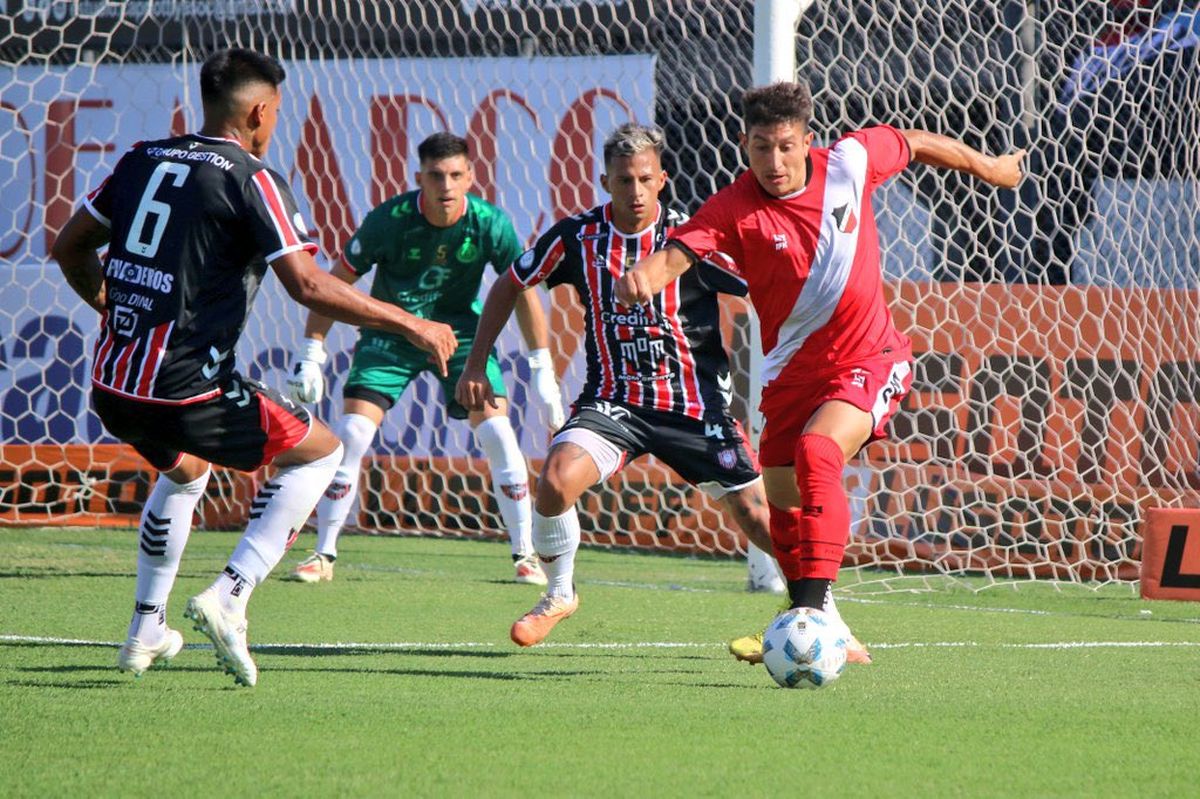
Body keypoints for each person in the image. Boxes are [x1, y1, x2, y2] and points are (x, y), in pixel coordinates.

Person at [50, 48, 457, 687]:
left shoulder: (141, 159)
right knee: (321, 454)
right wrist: (414, 322)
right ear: (260, 111)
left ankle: (146, 628)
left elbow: (69, 246)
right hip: (187, 390)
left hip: (113, 386)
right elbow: (309, 286)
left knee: (185, 474)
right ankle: (231, 595)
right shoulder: (250, 177)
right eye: (277, 114)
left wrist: (109, 304)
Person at [616, 82, 1025, 662]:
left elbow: (915, 142)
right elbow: (675, 256)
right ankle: (827, 621)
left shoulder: (851, 163)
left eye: (785, 146)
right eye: (761, 147)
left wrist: (990, 169)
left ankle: (803, 615)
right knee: (782, 504)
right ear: (744, 144)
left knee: (818, 454)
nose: (774, 162)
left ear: (808, 140)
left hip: (869, 358)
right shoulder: (732, 207)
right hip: (788, 375)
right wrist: (640, 280)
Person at [457, 123, 868, 656]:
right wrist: (475, 363)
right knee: (556, 480)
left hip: (695, 408)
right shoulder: (577, 238)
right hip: (614, 402)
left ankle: (823, 615)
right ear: (605, 181)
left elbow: (769, 288)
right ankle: (559, 593)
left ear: (663, 180)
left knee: (763, 519)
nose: (634, 191)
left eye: (645, 179)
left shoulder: (697, 238)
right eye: (623, 180)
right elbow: (511, 282)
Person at [283, 132, 565, 586]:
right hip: (392, 335)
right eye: (436, 175)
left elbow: (523, 291)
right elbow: (332, 284)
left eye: (456, 175)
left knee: (499, 434)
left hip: (463, 339)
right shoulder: (388, 220)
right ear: (420, 179)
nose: (447, 185)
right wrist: (311, 352)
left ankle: (525, 555)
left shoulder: (490, 223)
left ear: (471, 177)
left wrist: (542, 368)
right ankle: (322, 555)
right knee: (352, 433)